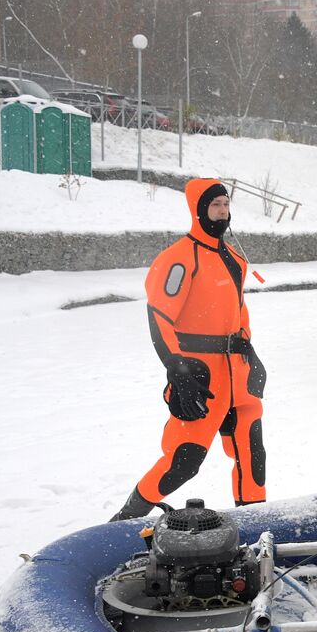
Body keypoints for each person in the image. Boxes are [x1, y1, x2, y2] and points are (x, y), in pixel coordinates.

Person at [109, 178, 267, 521]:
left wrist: (251, 355)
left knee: (252, 456)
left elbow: (239, 312)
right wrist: (176, 367)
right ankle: (122, 523)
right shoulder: (178, 259)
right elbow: (159, 318)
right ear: (199, 210)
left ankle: (256, 527)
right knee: (182, 463)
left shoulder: (236, 261)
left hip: (238, 378)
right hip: (202, 379)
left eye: (226, 204)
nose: (223, 212)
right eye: (215, 205)